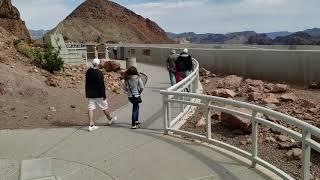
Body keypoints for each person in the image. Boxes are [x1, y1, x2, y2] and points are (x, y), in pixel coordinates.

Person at [85, 58, 116, 132]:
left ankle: (91, 125)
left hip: (90, 93)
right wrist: (103, 94)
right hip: (98, 94)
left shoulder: (88, 71)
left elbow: (87, 82)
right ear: (98, 64)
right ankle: (110, 119)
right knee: (104, 107)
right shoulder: (99, 73)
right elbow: (101, 85)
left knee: (90, 108)